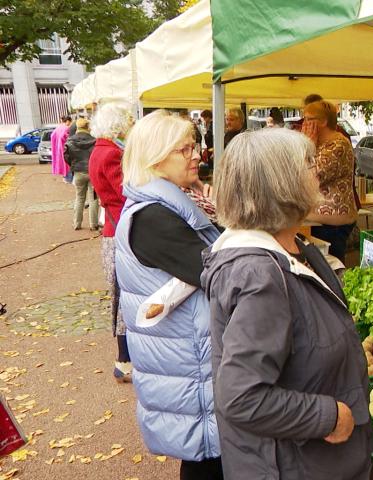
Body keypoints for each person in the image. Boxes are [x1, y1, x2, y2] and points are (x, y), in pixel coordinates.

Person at [201, 128, 372, 479]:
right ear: (282, 184)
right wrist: (328, 416)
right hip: (290, 466)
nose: (318, 172)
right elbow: (240, 396)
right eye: (309, 164)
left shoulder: (297, 247)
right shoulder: (260, 276)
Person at [115, 110, 222, 479]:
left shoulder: (168, 205)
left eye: (195, 146)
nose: (197, 155)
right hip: (190, 375)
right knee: (207, 464)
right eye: (186, 149)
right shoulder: (154, 219)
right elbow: (218, 271)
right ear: (156, 156)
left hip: (188, 368)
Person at [88, 102, 135, 383]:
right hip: (119, 231)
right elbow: (124, 194)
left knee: (121, 297)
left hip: (113, 229)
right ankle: (124, 360)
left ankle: (124, 359)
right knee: (124, 298)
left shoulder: (101, 150)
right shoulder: (111, 153)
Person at [301, 100, 357, 262]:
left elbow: (309, 177)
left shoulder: (337, 146)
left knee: (331, 269)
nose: (304, 124)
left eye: (309, 119)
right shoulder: (322, 143)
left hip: (333, 223)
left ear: (324, 121)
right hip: (319, 220)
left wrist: (308, 145)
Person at [64, 118, 99, 231]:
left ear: (77, 127)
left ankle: (77, 223)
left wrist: (73, 165)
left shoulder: (70, 141)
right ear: (88, 127)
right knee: (93, 198)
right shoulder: (95, 140)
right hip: (92, 173)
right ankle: (93, 224)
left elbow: (66, 157)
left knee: (79, 198)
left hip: (78, 172)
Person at [50, 115, 72, 182]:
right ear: (68, 121)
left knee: (62, 163)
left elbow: (52, 136)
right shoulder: (66, 128)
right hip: (64, 148)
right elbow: (64, 136)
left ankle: (65, 177)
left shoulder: (58, 128)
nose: (70, 124)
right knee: (67, 163)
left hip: (58, 148)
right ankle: (69, 179)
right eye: (70, 122)